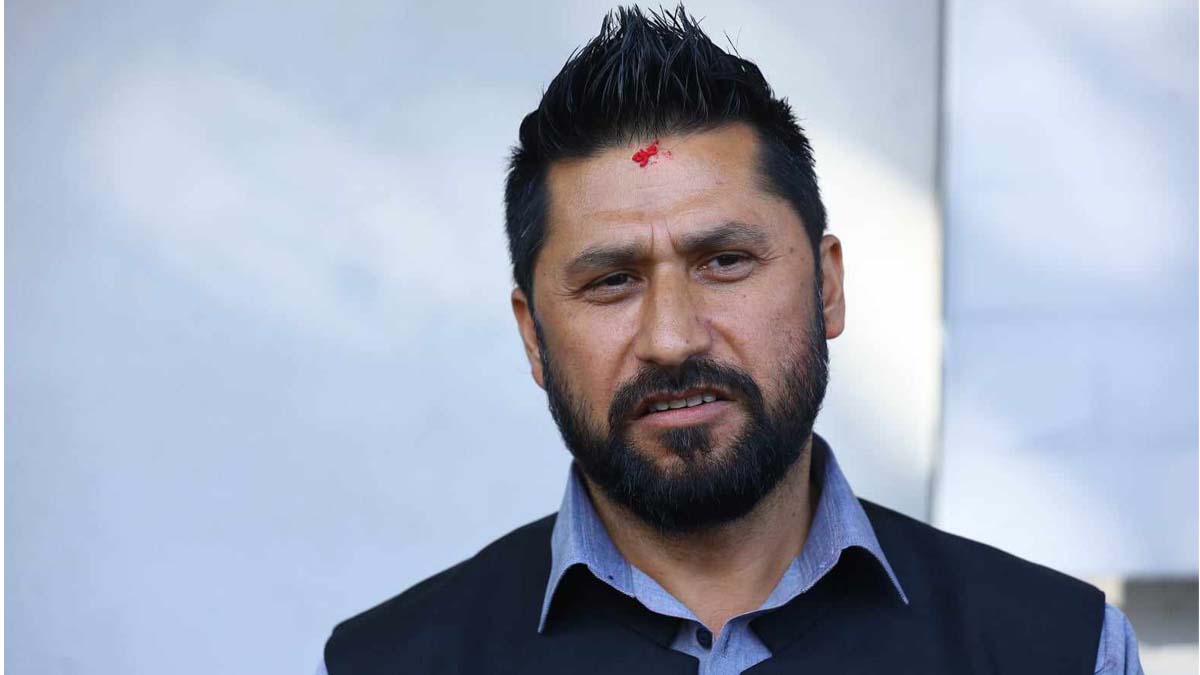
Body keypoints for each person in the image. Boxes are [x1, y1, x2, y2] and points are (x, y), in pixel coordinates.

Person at [320, 6, 1143, 674]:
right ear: (533, 335)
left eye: (724, 261)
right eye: (611, 280)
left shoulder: (1064, 651)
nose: (672, 338)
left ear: (827, 286)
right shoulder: (386, 665)